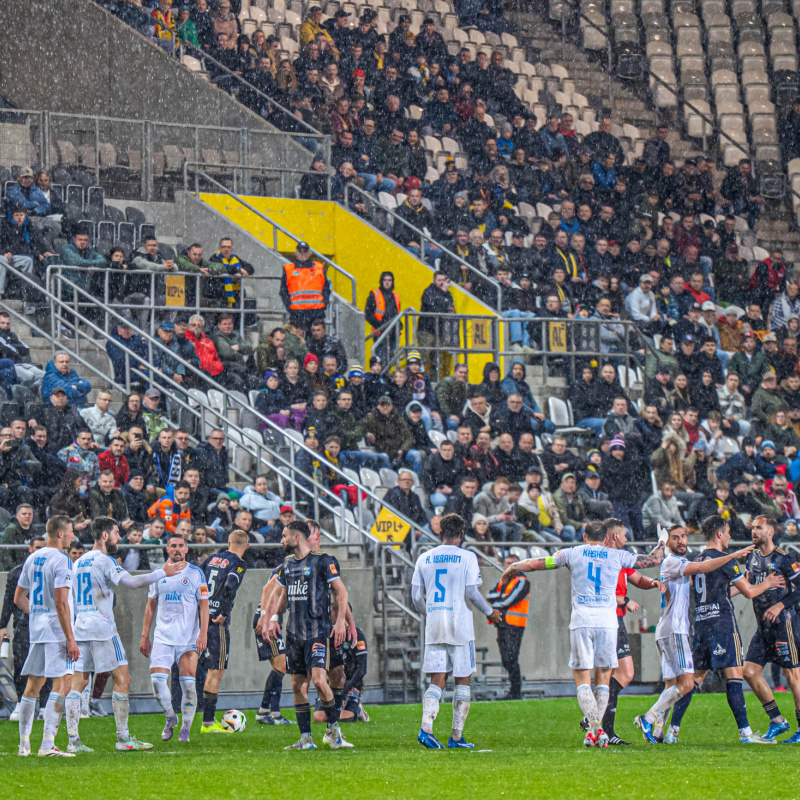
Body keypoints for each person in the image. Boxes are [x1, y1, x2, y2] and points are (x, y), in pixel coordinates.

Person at [503, 520, 665, 746]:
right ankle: (594, 731)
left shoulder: (572, 553)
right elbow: (654, 560)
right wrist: (662, 542)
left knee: (582, 680)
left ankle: (595, 727)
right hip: (608, 623)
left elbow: (539, 563)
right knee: (604, 681)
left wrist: (515, 566)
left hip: (582, 622)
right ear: (606, 536)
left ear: (584, 535)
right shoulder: (617, 556)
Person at [65, 516, 185, 753]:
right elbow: (131, 582)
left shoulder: (78, 562)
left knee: (77, 683)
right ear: (105, 535)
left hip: (81, 627)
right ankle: (123, 738)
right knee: (123, 679)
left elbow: (70, 599)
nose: (119, 537)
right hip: (102, 628)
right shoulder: (104, 560)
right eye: (117, 532)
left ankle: (73, 740)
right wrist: (162, 572)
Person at [633, 523, 762, 744]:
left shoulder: (681, 562)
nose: (682, 541)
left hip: (668, 629)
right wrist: (733, 556)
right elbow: (703, 568)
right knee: (687, 683)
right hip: (676, 629)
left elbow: (707, 581)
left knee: (673, 683)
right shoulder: (675, 561)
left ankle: (660, 732)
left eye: (684, 536)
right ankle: (648, 718)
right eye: (675, 538)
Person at [662, 515, 785, 744]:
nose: (729, 536)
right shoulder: (726, 559)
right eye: (727, 532)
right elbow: (749, 592)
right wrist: (767, 583)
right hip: (723, 625)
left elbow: (721, 592)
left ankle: (672, 731)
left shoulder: (697, 560)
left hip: (701, 625)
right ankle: (746, 734)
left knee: (694, 679)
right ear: (719, 534)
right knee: (734, 677)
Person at [412, 514, 502, 749]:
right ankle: (456, 737)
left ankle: (426, 729)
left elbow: (414, 596)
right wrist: (489, 611)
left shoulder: (424, 557)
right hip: (459, 624)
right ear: (462, 535)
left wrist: (429, 613)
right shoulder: (467, 557)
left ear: (440, 533)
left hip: (435, 624)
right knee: (463, 679)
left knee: (437, 678)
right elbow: (472, 592)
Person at [263, 520, 351, 750]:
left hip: (317, 632)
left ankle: (334, 731)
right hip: (294, 634)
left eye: (284, 536)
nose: (281, 540)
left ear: (297, 537)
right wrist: (273, 618)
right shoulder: (287, 564)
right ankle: (306, 739)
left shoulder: (323, 560)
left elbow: (341, 591)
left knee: (321, 681)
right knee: (297, 686)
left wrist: (341, 621)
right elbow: (283, 597)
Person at [13, 515, 80, 758]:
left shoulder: (32, 558)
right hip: (56, 631)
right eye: (71, 531)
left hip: (38, 630)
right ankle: (48, 744)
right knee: (63, 683)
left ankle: (23, 745)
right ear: (60, 534)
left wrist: (38, 614)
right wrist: (70, 638)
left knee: (34, 684)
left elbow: (19, 598)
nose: (73, 535)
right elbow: (62, 604)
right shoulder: (62, 560)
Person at [139, 532, 209, 743]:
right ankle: (170, 717)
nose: (177, 549)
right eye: (173, 546)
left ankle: (185, 729)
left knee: (188, 685)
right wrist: (145, 636)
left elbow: (204, 606)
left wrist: (202, 633)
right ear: (167, 549)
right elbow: (150, 605)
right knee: (157, 681)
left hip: (188, 639)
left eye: (181, 545)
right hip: (163, 637)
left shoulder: (196, 573)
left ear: (186, 549)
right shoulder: (158, 573)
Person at [741, 516, 800, 743]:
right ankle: (777, 720)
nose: (754, 531)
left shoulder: (785, 560)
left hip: (783, 624)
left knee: (793, 677)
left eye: (759, 528)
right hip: (762, 627)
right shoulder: (753, 557)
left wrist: (780, 605)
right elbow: (748, 584)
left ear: (771, 532)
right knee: (749, 672)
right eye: (753, 528)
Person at [198, 530, 250, 734]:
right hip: (215, 623)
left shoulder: (212, 558)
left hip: (199, 620)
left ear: (228, 542)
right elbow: (230, 584)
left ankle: (182, 720)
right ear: (247, 546)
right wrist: (224, 612)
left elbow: (197, 579)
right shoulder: (238, 563)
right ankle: (208, 724)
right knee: (216, 672)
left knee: (192, 670)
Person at [0, 535, 47, 723]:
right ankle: (21, 703)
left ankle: (44, 705)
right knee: (21, 663)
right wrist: (2, 625)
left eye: (42, 548)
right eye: (37, 548)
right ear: (29, 549)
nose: (39, 552)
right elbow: (9, 600)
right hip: (24, 623)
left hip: (43, 622)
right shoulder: (17, 572)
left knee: (46, 664)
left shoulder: (50, 569)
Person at [486, 555, 530, 700]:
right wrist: (499, 601)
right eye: (507, 563)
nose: (509, 566)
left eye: (513, 564)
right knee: (506, 659)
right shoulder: (503, 581)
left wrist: (496, 605)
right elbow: (489, 595)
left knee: (511, 658)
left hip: (515, 625)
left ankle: (516, 691)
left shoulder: (522, 581)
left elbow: (509, 600)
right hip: (503, 624)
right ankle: (513, 690)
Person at [279, 242, 330, 334]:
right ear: (296, 252)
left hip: (316, 312)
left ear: (309, 253)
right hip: (297, 313)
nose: (303, 253)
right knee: (297, 341)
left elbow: (326, 289)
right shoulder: (288, 269)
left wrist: (324, 304)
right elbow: (283, 291)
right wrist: (290, 307)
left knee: (316, 341)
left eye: (305, 251)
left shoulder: (319, 268)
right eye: (300, 251)